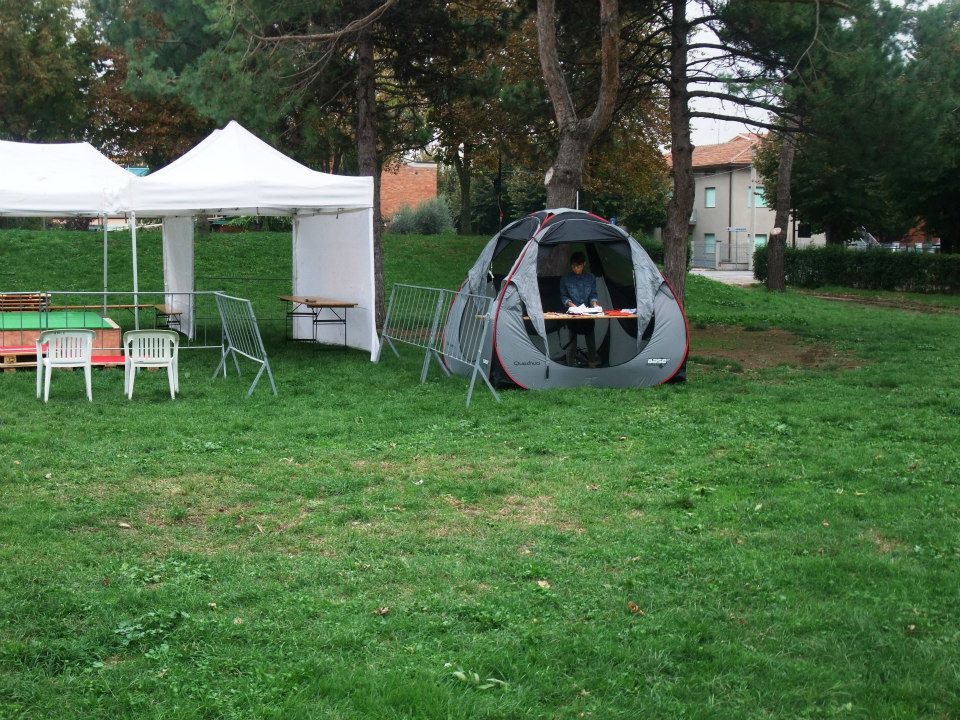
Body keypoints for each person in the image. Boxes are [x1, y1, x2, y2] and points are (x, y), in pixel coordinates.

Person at [559, 251, 600, 367]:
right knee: (572, 340)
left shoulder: (590, 278)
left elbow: (593, 294)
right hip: (573, 313)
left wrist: (595, 305)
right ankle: (570, 364)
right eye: (574, 267)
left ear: (584, 264)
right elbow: (563, 296)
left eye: (579, 266)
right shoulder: (565, 278)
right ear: (571, 265)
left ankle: (592, 362)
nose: (576, 269)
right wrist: (572, 305)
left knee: (590, 338)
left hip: (587, 313)